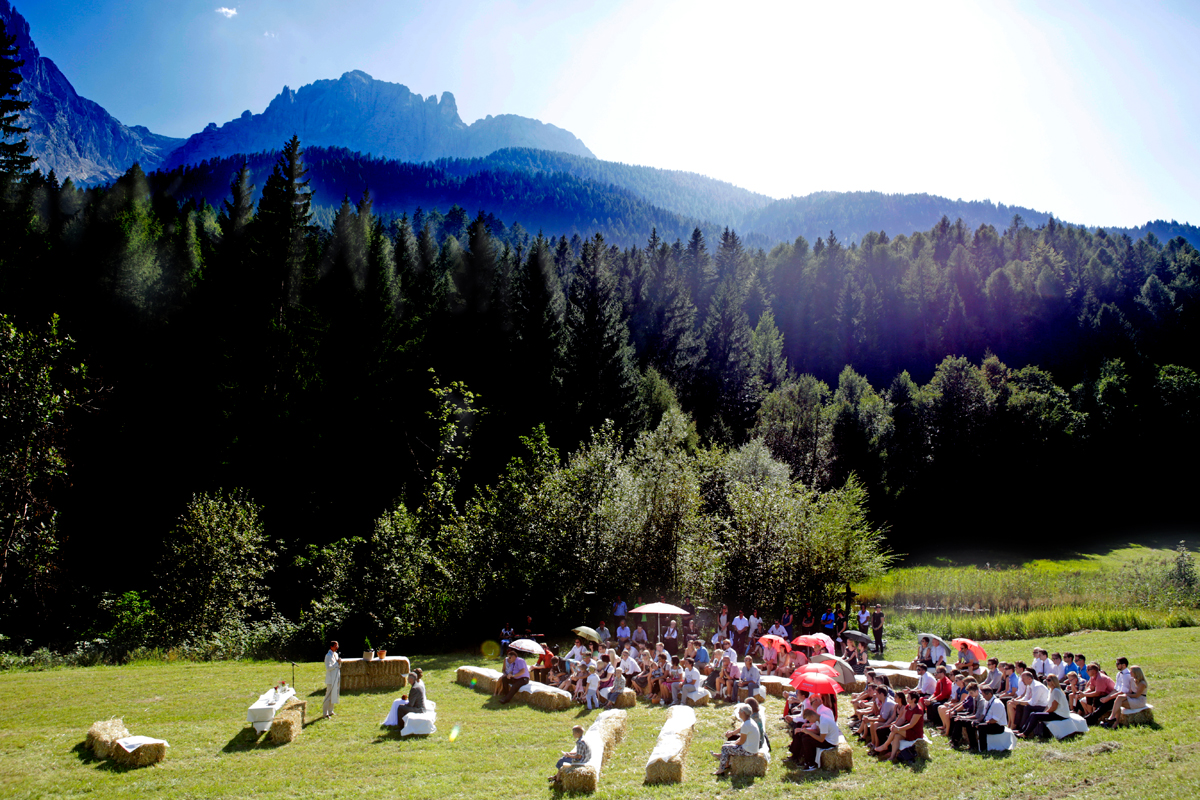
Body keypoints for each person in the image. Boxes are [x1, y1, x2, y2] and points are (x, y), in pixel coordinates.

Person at [713, 704, 762, 776]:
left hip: (748, 750)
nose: (738, 713)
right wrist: (732, 734)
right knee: (727, 744)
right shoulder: (749, 721)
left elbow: (742, 741)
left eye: (739, 711)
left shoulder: (746, 725)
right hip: (752, 748)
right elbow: (741, 729)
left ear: (743, 713)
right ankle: (726, 763)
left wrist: (734, 743)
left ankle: (721, 769)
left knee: (725, 748)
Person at [1019, 673, 1068, 738]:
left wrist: (1044, 713)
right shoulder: (1051, 690)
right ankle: (1023, 731)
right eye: (1046, 680)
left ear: (1054, 681)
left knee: (1035, 715)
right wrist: (1043, 713)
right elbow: (1048, 705)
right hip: (1056, 713)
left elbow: (1053, 707)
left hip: (1060, 714)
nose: (1047, 681)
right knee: (1033, 714)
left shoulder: (1056, 691)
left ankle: (1025, 734)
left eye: (1049, 680)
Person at [965, 685, 1007, 753]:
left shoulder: (997, 703)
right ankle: (973, 745)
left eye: (984, 695)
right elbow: (983, 715)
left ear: (990, 694)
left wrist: (982, 723)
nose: (983, 697)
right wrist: (977, 721)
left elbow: (994, 720)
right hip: (989, 722)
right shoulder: (987, 701)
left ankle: (983, 749)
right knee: (969, 724)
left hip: (998, 726)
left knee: (982, 727)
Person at [323, 640, 341, 718]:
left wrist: (339, 663)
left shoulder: (336, 654)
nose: (337, 647)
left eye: (337, 646)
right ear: (331, 647)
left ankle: (331, 710)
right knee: (328, 696)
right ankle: (325, 713)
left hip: (336, 677)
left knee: (334, 694)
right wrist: (337, 663)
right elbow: (328, 667)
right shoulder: (328, 656)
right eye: (335, 646)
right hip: (330, 679)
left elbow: (338, 666)